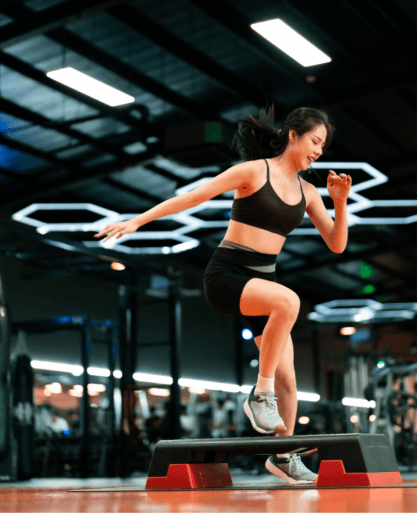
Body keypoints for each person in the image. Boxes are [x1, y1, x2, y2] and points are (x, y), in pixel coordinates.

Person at [96, 105, 352, 484]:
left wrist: (340, 201)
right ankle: (258, 395)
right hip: (227, 275)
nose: (318, 151)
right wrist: (138, 220)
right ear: (292, 135)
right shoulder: (254, 171)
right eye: (315, 141)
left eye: (324, 146)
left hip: (262, 286)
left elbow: (337, 244)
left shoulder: (309, 192)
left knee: (290, 380)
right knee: (290, 301)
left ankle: (282, 455)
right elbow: (195, 197)